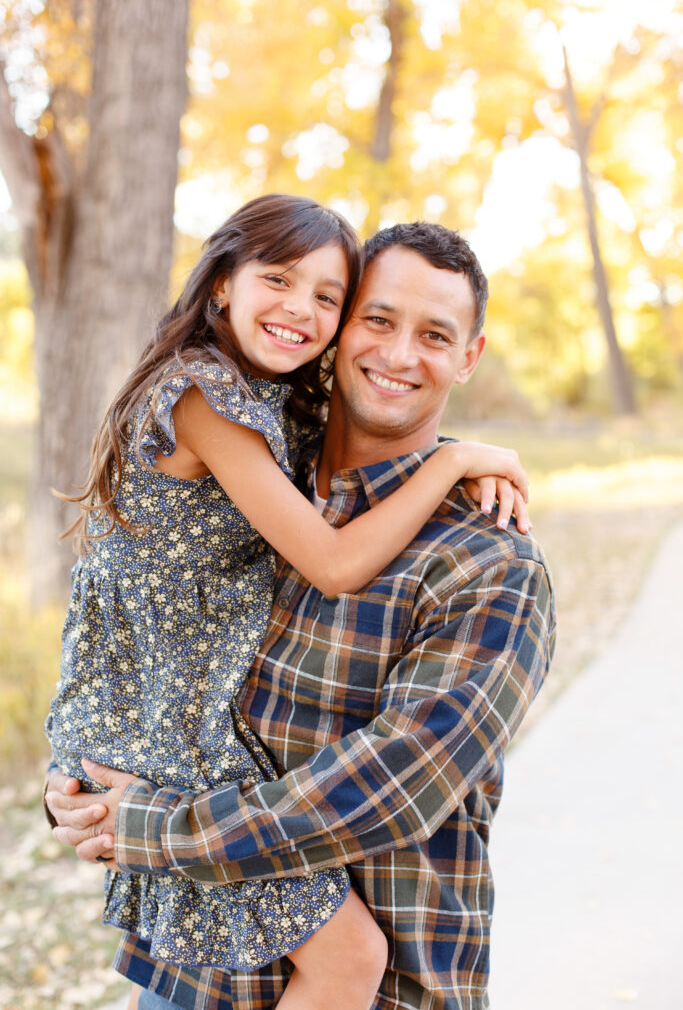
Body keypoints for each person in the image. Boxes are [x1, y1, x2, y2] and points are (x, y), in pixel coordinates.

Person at [45, 200, 533, 1010]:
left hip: (334, 952)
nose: (302, 310)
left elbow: (392, 788)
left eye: (435, 335)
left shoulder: (487, 566)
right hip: (181, 909)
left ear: (469, 356)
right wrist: (450, 466)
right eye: (374, 318)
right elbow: (323, 567)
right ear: (222, 286)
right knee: (342, 958)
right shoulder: (234, 422)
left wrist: (452, 462)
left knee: (350, 959)